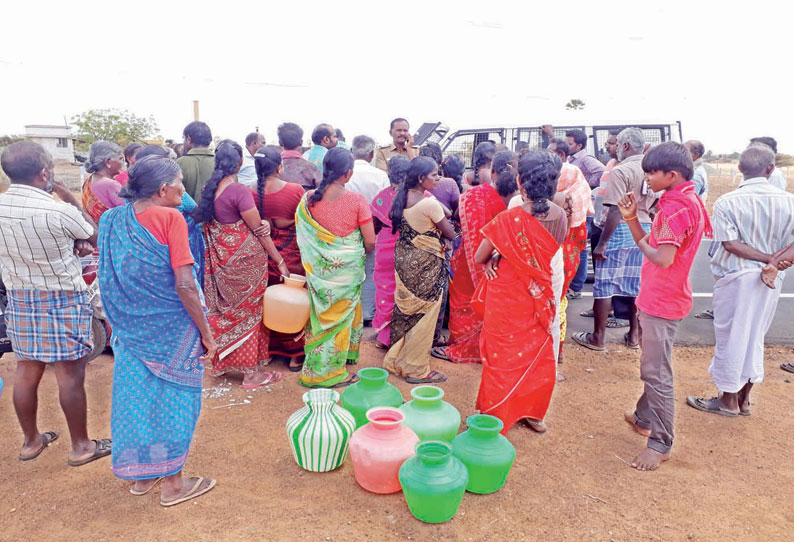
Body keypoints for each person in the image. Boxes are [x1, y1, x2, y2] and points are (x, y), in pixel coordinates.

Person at [98, 154, 216, 505]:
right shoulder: (170, 217)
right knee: (175, 400)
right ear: (164, 188)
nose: (184, 189)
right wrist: (206, 334)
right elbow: (184, 284)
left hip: (130, 326)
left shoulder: (109, 219)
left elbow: (109, 274)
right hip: (173, 326)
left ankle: (143, 477)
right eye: (180, 182)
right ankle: (174, 485)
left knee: (135, 400)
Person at [0, 141, 111, 465]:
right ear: (46, 173)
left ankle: (31, 441)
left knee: (26, 368)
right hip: (62, 297)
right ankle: (81, 447)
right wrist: (69, 198)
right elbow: (94, 236)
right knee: (69, 374)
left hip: (20, 296)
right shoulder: (57, 210)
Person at [611, 142, 710, 471]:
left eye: (652, 173)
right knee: (654, 365)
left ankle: (661, 441)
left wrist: (633, 225)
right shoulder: (686, 200)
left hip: (662, 299)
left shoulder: (673, 209)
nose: (647, 178)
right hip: (666, 295)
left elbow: (661, 256)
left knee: (656, 372)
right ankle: (643, 417)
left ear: (672, 174)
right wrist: (632, 219)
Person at [686, 144, 794, 418]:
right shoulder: (789, 200)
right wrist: (773, 262)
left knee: (732, 339)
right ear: (770, 170)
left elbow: (731, 244)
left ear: (740, 169)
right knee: (754, 336)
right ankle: (743, 399)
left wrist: (766, 258)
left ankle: (728, 401)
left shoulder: (728, 201)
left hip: (737, 277)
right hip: (771, 279)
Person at [474, 151, 568, 434]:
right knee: (537, 352)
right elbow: (547, 251)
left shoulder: (508, 218)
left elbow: (481, 256)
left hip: (508, 297)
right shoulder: (561, 215)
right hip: (542, 292)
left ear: (519, 182)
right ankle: (533, 414)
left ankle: (495, 417)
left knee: (502, 357)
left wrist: (497, 256)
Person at [194, 140, 289, 389]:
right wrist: (278, 260)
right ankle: (250, 374)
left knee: (226, 312)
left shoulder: (209, 189)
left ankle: (222, 364)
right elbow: (258, 230)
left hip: (221, 263)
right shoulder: (238, 192)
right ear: (238, 163)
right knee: (249, 314)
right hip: (246, 264)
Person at [296, 147, 376, 388]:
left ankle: (328, 362)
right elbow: (370, 240)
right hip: (348, 272)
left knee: (322, 316)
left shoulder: (308, 199)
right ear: (348, 174)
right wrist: (351, 252)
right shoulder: (357, 201)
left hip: (320, 273)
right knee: (343, 316)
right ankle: (327, 373)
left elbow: (305, 234)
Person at [572, 128, 655, 351]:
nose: (615, 148)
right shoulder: (651, 169)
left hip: (619, 230)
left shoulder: (621, 171)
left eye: (617, 144)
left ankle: (598, 338)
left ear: (625, 146)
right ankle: (634, 336)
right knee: (635, 286)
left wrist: (602, 243)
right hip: (644, 231)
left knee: (605, 285)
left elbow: (616, 211)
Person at [383, 156, 455, 384]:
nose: (438, 178)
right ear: (421, 178)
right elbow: (451, 232)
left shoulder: (401, 198)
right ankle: (416, 369)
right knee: (425, 315)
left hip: (404, 260)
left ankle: (395, 359)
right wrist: (447, 239)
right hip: (426, 264)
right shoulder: (429, 204)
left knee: (406, 311)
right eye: (434, 175)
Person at [434, 141, 506, 363]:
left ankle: (465, 345)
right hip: (502, 257)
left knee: (465, 299)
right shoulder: (517, 200)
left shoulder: (474, 195)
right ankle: (489, 347)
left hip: (472, 257)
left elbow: (457, 215)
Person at [253, 145, 306, 372]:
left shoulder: (249, 192)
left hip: (263, 254)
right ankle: (295, 355)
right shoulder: (295, 190)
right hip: (291, 254)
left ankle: (268, 350)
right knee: (293, 300)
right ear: (279, 167)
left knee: (269, 299)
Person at [546, 138, 593, 361]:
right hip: (565, 266)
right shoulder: (578, 203)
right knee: (560, 301)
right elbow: (580, 243)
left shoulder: (545, 203)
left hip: (549, 267)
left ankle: (550, 350)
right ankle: (558, 349)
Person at [348, 135, 390, 325]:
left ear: (352, 151)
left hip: (347, 230)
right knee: (370, 271)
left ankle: (348, 311)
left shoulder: (346, 174)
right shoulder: (380, 176)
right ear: (372, 153)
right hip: (374, 230)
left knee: (349, 270)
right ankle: (366, 314)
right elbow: (386, 206)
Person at [371, 156, 411, 349]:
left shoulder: (381, 197)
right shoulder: (420, 196)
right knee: (407, 292)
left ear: (389, 175)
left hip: (386, 247)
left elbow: (375, 225)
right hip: (410, 248)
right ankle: (403, 338)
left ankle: (384, 337)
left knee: (386, 291)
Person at [81, 141, 125, 221]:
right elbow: (128, 214)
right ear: (108, 162)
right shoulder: (111, 185)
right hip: (112, 232)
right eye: (120, 159)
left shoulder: (89, 180)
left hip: (95, 231)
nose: (123, 164)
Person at [420, 142, 461, 217]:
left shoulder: (416, 183)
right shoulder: (449, 183)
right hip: (445, 225)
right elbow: (458, 211)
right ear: (440, 161)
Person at [177, 121, 214, 203]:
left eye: (183, 138)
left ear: (188, 139)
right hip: (216, 215)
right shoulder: (222, 163)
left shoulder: (178, 163)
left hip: (185, 215)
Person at [278, 122, 322, 191]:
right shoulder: (311, 168)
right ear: (301, 142)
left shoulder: (273, 169)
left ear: (280, 142)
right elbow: (322, 192)